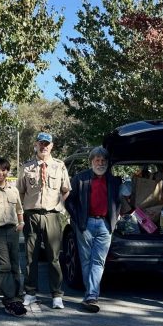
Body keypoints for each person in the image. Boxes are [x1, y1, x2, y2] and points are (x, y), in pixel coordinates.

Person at [18, 132, 71, 312]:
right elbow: (21, 192)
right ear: (36, 145)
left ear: (52, 146)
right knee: (30, 256)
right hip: (32, 214)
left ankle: (56, 294)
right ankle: (30, 292)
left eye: (47, 144)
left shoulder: (59, 166)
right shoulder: (27, 167)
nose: (44, 147)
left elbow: (66, 189)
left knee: (54, 256)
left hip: (52, 215)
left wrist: (58, 205)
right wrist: (24, 210)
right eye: (41, 143)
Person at [65, 146, 121, 312]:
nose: (100, 163)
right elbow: (69, 201)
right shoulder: (80, 179)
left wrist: (114, 219)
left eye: (103, 160)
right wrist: (78, 220)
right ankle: (91, 294)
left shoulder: (114, 181)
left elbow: (119, 202)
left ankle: (91, 295)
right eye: (97, 160)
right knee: (86, 260)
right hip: (86, 224)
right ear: (91, 162)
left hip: (105, 225)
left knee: (98, 261)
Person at [0, 157, 27, 317]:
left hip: (13, 231)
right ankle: (10, 300)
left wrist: (21, 223)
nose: (0, 173)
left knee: (16, 266)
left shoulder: (13, 189)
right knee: (2, 267)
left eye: (3, 170)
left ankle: (18, 297)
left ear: (8, 171)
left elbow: (19, 209)